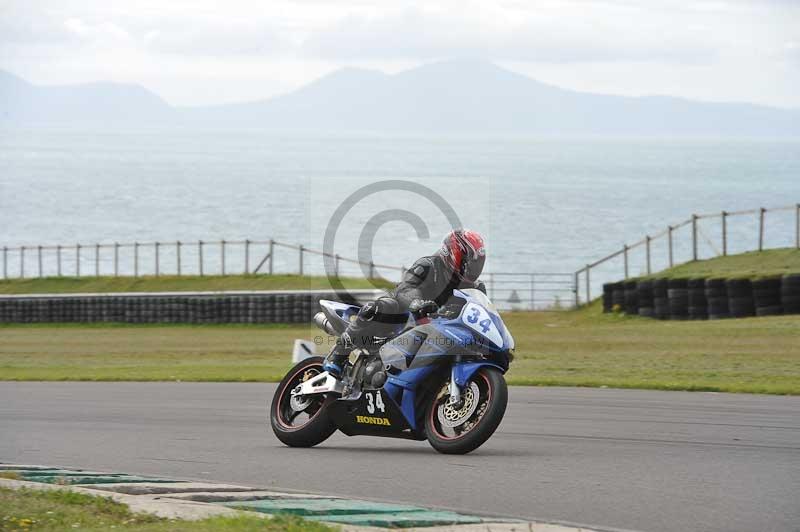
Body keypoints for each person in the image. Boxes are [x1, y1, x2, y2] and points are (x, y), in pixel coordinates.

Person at [323, 229, 487, 376]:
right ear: (453, 254)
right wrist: (417, 302)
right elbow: (407, 288)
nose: (472, 268)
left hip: (441, 330)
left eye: (477, 264)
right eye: (469, 263)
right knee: (379, 307)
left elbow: (481, 313)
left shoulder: (476, 287)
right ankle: (338, 355)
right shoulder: (428, 265)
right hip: (406, 317)